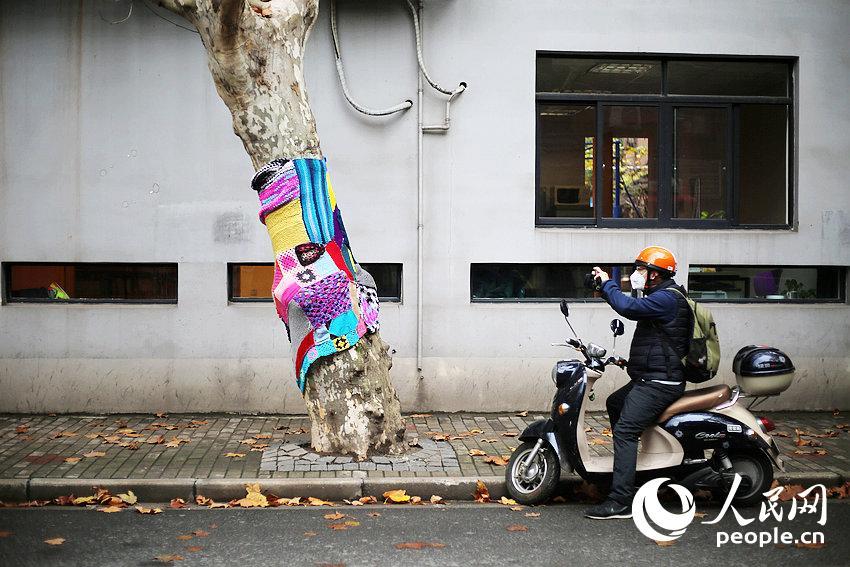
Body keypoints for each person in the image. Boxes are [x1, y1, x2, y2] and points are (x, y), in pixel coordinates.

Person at [584, 246, 691, 520]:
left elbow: (627, 307)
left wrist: (608, 283)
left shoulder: (667, 299)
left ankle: (621, 499)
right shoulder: (660, 297)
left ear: (655, 274)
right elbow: (633, 312)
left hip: (660, 383)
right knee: (615, 403)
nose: (636, 274)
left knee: (625, 431)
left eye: (641, 269)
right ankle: (630, 469)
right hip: (650, 377)